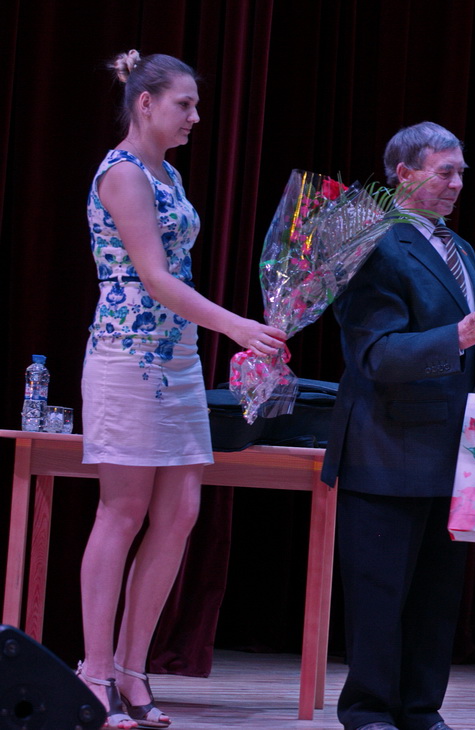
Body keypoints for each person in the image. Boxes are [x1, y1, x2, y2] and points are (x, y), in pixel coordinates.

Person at [79, 50, 287, 729]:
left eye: (196, 105)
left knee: (180, 514)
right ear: (145, 104)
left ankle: (133, 671)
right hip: (128, 354)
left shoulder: (168, 173)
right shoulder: (121, 173)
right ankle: (95, 673)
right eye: (184, 104)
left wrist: (226, 331)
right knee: (124, 510)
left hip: (177, 356)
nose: (196, 116)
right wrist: (236, 325)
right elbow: (154, 276)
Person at [321, 121, 475, 730]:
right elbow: (375, 355)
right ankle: (369, 711)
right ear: (405, 173)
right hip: (387, 447)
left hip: (451, 448)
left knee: (436, 597)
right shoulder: (371, 242)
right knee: (380, 593)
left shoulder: (460, 249)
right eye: (445, 172)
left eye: (461, 172)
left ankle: (421, 708)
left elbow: (465, 349)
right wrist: (463, 334)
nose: (457, 183)